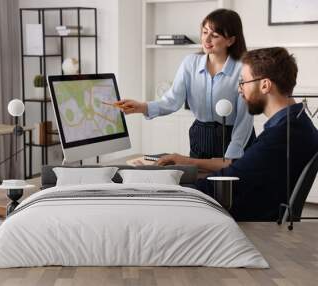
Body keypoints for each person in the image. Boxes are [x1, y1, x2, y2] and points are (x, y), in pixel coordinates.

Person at [157, 47, 318, 221]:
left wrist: (166, 185)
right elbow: (244, 165)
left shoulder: (281, 135)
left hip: (244, 220)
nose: (239, 90)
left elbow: (224, 183)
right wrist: (189, 162)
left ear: (265, 85)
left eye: (243, 82)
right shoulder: (296, 122)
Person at [117, 9, 255, 160]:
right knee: (198, 182)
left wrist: (232, 155)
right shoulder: (190, 63)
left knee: (232, 182)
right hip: (201, 136)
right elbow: (172, 101)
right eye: (204, 32)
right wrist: (141, 107)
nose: (207, 39)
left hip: (234, 136)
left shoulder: (244, 69)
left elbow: (244, 120)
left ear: (231, 40)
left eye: (215, 35)